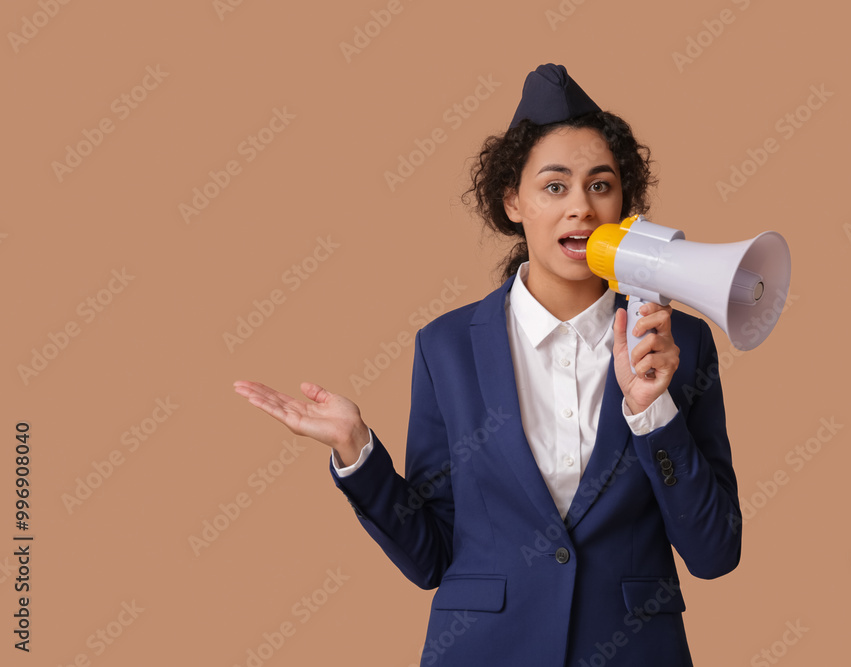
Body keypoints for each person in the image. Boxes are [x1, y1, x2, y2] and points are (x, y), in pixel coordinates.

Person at [234, 63, 741, 666]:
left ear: (624, 201)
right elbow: (432, 557)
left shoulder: (678, 343)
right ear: (512, 201)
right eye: (555, 186)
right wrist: (357, 452)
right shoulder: (446, 346)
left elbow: (714, 553)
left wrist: (653, 411)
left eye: (600, 185)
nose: (581, 206)